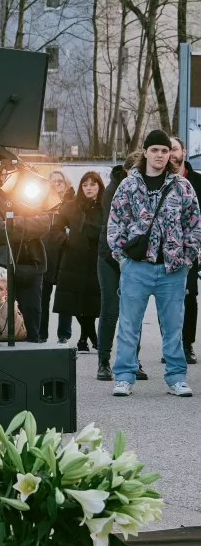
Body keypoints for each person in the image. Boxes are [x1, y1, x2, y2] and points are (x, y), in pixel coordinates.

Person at [108, 129, 201, 397]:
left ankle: (176, 378)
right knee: (128, 325)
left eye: (164, 150)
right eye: (155, 150)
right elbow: (116, 222)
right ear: (145, 153)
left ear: (169, 154)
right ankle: (124, 376)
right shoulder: (129, 185)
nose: (160, 155)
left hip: (172, 269)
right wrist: (122, 260)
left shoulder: (181, 186)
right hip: (136, 268)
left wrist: (187, 258)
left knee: (174, 327)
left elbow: (194, 224)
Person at [0, 165, 51, 343]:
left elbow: (44, 223)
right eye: (3, 175)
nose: (6, 178)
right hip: (1, 263)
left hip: (31, 265)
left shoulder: (31, 197)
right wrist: (27, 227)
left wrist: (13, 222)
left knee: (32, 315)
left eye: (11, 175)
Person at [97, 152, 148, 382]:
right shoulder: (112, 190)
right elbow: (118, 224)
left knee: (134, 313)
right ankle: (103, 361)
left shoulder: (148, 188)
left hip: (136, 256)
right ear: (128, 170)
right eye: (136, 169)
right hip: (110, 257)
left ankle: (133, 361)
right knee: (111, 310)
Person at [53, 170, 105, 353]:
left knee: (90, 302)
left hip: (95, 260)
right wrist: (67, 239)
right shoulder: (70, 206)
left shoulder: (105, 205)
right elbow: (56, 228)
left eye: (93, 184)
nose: (89, 188)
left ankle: (84, 339)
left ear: (99, 186)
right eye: (85, 185)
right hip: (73, 259)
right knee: (73, 301)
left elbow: (106, 229)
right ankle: (94, 339)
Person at [170, 136, 201, 363]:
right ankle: (170, 345)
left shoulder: (198, 182)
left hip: (191, 249)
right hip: (164, 251)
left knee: (189, 298)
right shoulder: (159, 181)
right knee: (168, 299)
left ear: (184, 151)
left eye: (174, 149)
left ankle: (187, 343)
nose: (171, 154)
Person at [39, 171, 74, 344]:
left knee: (64, 296)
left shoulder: (72, 203)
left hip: (64, 254)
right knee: (42, 296)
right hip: (44, 254)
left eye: (60, 181)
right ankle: (41, 332)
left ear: (66, 184)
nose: (56, 184)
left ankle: (64, 334)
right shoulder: (40, 203)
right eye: (53, 182)